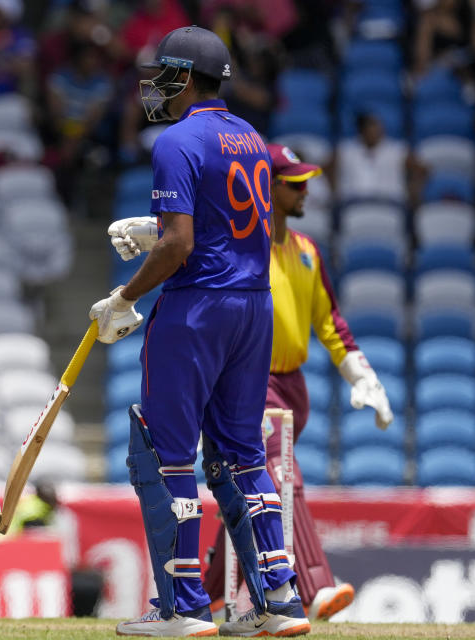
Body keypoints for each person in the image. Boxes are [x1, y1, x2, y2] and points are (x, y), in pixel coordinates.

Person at [108, 143, 396, 622]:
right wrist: (150, 228)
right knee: (276, 471)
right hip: (252, 376)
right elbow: (191, 236)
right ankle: (312, 584)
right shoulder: (247, 247)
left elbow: (331, 323)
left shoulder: (307, 252)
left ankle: (213, 592)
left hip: (294, 386)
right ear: (269, 187)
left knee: (238, 482)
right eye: (293, 183)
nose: (304, 191)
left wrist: (362, 373)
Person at [93, 26, 310, 637]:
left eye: (164, 75)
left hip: (197, 309)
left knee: (166, 453)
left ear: (187, 78)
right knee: (243, 455)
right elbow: (226, 222)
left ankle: (183, 606)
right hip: (253, 304)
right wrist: (154, 228)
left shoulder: (176, 140)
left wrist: (124, 295)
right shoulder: (252, 138)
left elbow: (182, 244)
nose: (156, 85)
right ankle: (280, 597)